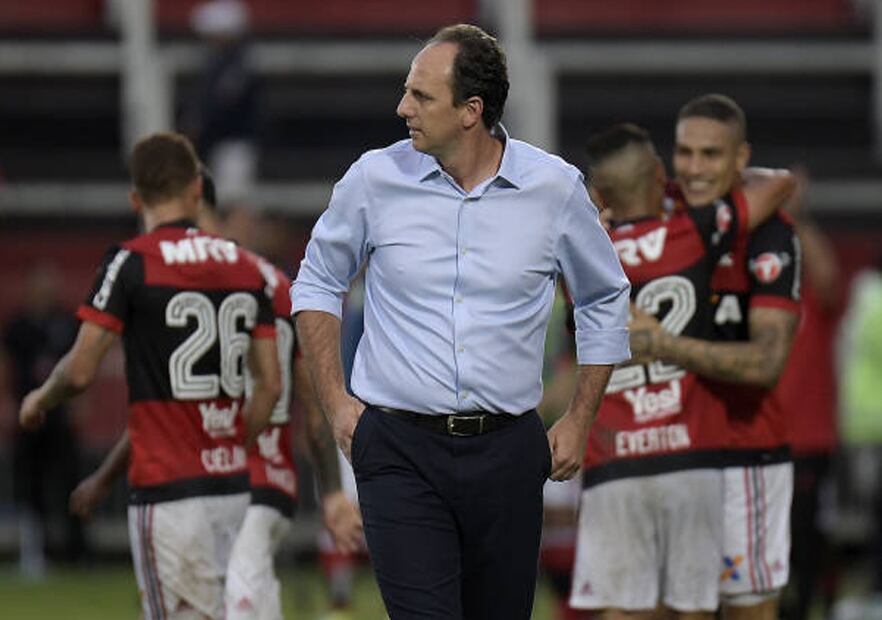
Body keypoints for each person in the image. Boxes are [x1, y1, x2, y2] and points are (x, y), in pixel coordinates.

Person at [291, 24, 631, 620]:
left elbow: (604, 296)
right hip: (397, 449)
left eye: (421, 96)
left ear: (471, 110)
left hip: (509, 451)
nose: (403, 108)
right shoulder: (374, 179)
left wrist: (580, 419)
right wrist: (336, 404)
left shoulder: (554, 188)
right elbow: (316, 283)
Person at [68, 165, 363, 620]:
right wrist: (327, 493)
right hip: (264, 483)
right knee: (243, 597)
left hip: (219, 477)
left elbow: (175, 404)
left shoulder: (186, 292)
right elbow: (309, 403)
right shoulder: (279, 287)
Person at [19, 132, 282, 620]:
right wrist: (229, 445)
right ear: (196, 191)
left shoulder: (131, 262)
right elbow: (269, 385)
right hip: (230, 487)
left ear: (135, 198)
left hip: (168, 493)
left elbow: (79, 372)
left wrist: (40, 398)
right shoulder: (247, 268)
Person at [568, 123, 784, 620]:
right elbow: (780, 185)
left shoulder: (582, 252)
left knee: (623, 610)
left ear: (600, 193)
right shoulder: (694, 231)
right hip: (691, 453)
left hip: (614, 456)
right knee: (694, 611)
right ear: (660, 173)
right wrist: (686, 190)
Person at [628, 94, 800, 620]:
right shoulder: (657, 221)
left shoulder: (769, 234)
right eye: (685, 153)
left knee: (747, 611)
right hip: (664, 453)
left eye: (711, 154)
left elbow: (766, 362)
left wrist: (665, 345)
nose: (695, 168)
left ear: (739, 158)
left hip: (743, 456)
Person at [3, 263, 85, 578]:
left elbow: (81, 367)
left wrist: (79, 405)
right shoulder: (18, 325)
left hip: (60, 417)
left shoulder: (66, 321)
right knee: (30, 487)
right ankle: (33, 554)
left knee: (69, 483)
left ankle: (77, 552)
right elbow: (6, 364)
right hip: (28, 417)